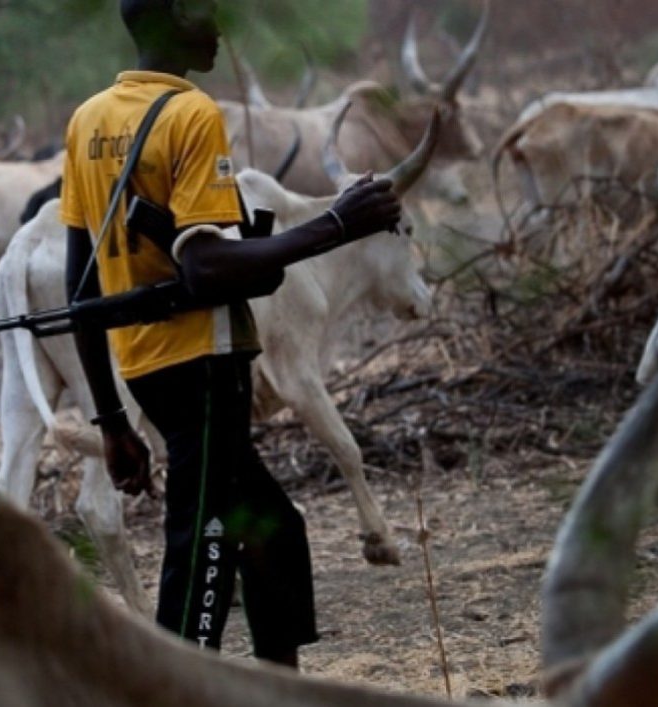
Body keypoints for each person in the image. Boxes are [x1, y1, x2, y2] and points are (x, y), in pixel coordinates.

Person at [58, 0, 403, 668]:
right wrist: (337, 224)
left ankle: (278, 682)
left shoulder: (89, 119)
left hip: (145, 368)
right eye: (200, 14)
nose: (216, 28)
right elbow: (205, 264)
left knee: (273, 530)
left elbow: (82, 288)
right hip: (204, 366)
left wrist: (110, 419)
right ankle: (177, 681)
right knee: (202, 549)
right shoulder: (191, 114)